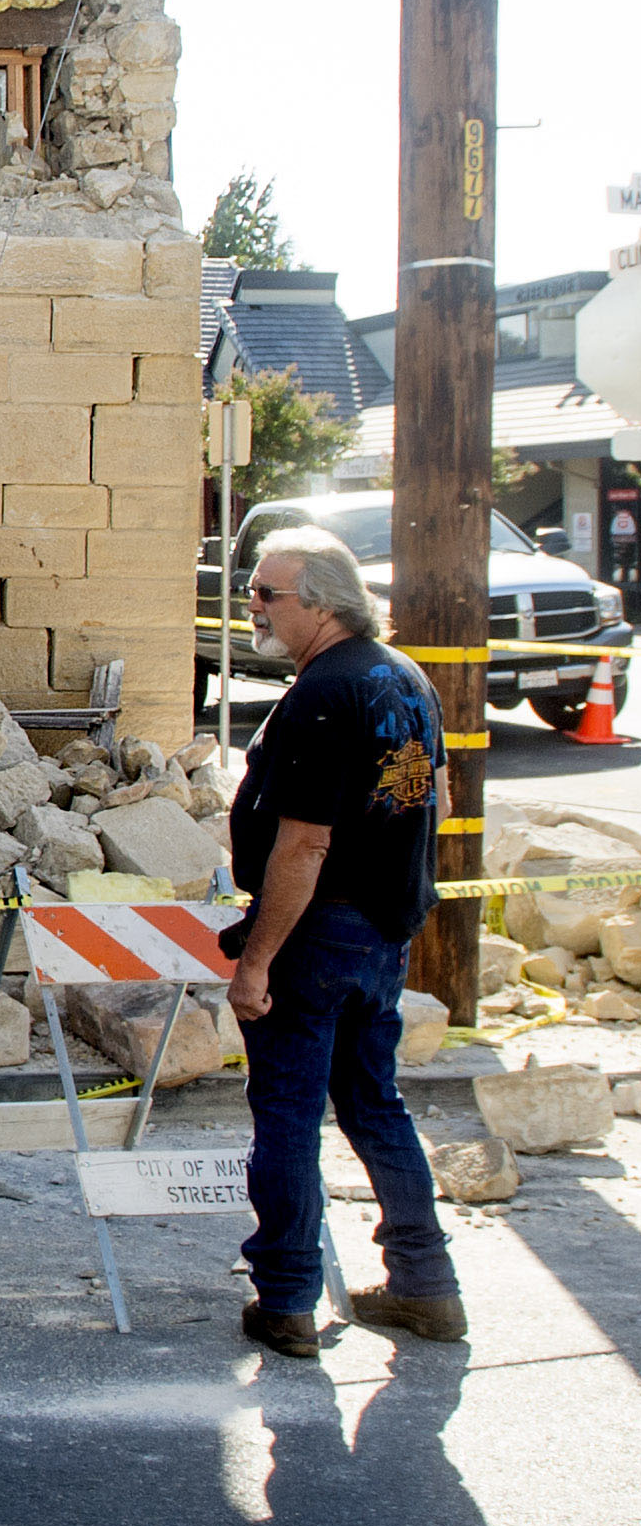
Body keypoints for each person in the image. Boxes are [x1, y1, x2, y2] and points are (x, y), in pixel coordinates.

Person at [225, 527, 466, 1357]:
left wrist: (257, 958)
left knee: (288, 1112)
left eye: (266, 593)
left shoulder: (327, 693)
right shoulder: (404, 680)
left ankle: (286, 1297)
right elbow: (429, 795)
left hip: (320, 931)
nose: (251, 605)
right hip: (381, 929)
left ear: (322, 603)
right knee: (374, 1100)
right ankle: (426, 1285)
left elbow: (304, 844)